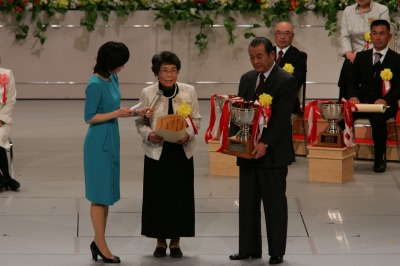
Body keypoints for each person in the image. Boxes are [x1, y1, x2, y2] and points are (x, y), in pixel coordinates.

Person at [228, 37, 297, 265]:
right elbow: (240, 112)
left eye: (259, 56)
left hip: (273, 154)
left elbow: (281, 119)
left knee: (274, 203)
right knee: (247, 202)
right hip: (247, 152)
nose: (255, 61)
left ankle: (276, 251)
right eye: (251, 57)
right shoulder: (247, 79)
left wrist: (265, 143)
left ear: (271, 55)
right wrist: (234, 141)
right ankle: (248, 248)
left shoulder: (285, 80)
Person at [84, 41, 151, 264]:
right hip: (98, 141)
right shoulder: (94, 83)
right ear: (110, 62)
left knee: (106, 195)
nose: (122, 68)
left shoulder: (112, 77)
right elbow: (89, 117)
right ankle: (101, 244)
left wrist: (137, 112)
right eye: (120, 64)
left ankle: (98, 241)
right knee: (98, 196)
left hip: (111, 137)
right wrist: (117, 113)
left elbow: (117, 111)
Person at [135, 51, 201, 259]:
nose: (170, 75)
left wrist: (188, 134)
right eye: (165, 71)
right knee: (158, 197)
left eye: (173, 71)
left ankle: (176, 242)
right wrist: (149, 134)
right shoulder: (148, 93)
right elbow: (140, 122)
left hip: (181, 151)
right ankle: (160, 241)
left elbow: (197, 119)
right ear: (157, 73)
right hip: (157, 152)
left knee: (179, 196)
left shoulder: (189, 91)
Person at [346, 19, 400, 173]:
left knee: (378, 120)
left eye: (382, 34)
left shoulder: (397, 60)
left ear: (389, 36)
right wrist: (352, 96)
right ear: (370, 36)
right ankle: (339, 156)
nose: (378, 37)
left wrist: (386, 99)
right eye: (374, 34)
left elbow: (399, 87)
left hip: (385, 106)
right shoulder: (361, 57)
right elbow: (351, 83)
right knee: (342, 117)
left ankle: (379, 159)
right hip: (362, 103)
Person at [338, 0, 389, 100]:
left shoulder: (382, 9)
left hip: (374, 53)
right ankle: (348, 104)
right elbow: (344, 36)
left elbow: (382, 34)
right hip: (354, 55)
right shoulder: (348, 11)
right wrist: (348, 53)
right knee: (348, 65)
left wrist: (367, 55)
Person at [273, 21, 307, 116]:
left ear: (292, 36)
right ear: (274, 35)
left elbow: (297, 82)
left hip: (287, 102)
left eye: (286, 33)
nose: (282, 37)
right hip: (264, 102)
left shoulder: (299, 56)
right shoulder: (266, 53)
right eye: (279, 33)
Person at [0, 67, 20, 192]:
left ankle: (4, 178)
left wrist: (1, 119)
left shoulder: (6, 73)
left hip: (2, 122)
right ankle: (5, 178)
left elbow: (11, 100)